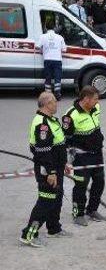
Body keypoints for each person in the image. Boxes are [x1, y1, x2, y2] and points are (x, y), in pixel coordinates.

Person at [19, 92, 72, 247]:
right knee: (46, 201)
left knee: (57, 197)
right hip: (48, 170)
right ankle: (29, 234)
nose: (57, 104)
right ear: (47, 104)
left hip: (57, 167)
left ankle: (54, 228)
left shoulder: (51, 120)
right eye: (54, 101)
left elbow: (58, 144)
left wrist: (63, 164)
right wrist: (51, 172)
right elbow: (43, 151)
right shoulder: (42, 123)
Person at [62, 86, 106, 226]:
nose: (97, 102)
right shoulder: (70, 115)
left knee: (99, 183)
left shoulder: (96, 108)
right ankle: (78, 214)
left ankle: (92, 210)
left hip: (97, 154)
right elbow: (64, 140)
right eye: (95, 99)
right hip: (81, 157)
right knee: (81, 185)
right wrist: (66, 161)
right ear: (86, 99)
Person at [37, 19, 67, 100]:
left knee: (48, 77)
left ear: (45, 28)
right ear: (54, 27)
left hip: (47, 59)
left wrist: (43, 50)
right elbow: (64, 50)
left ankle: (48, 94)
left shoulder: (42, 36)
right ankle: (57, 93)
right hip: (57, 59)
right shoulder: (60, 37)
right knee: (57, 76)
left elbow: (37, 47)